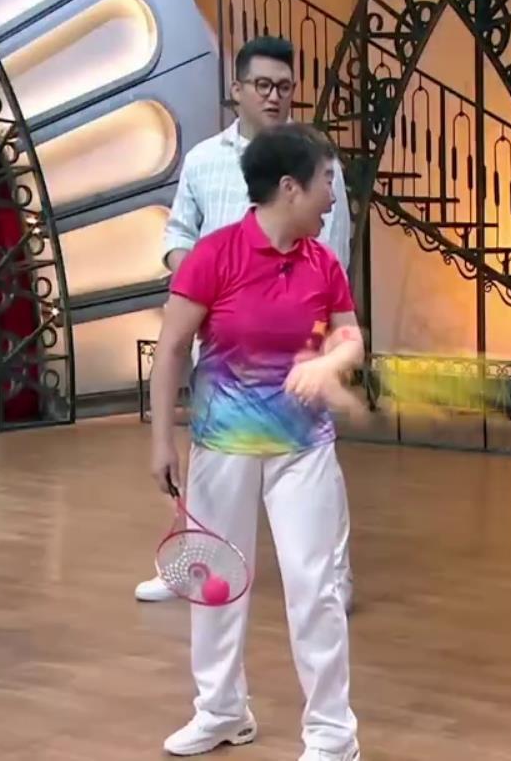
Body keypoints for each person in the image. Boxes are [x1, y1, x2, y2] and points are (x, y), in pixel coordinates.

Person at [148, 122, 364, 760]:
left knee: (314, 589)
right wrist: (162, 443)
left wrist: (329, 364)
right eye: (326, 181)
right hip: (222, 449)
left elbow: (350, 338)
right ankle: (221, 711)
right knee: (217, 582)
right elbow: (171, 349)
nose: (333, 197)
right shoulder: (215, 256)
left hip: (304, 451)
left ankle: (333, 737)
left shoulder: (323, 263)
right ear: (290, 187)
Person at [136, 35, 357, 613]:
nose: (275, 97)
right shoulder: (203, 160)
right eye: (263, 85)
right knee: (212, 465)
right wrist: (204, 285)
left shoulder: (318, 163)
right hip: (221, 346)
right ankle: (194, 566)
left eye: (285, 87)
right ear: (237, 90)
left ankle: (331, 578)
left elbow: (333, 251)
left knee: (314, 467)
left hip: (295, 353)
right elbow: (177, 235)